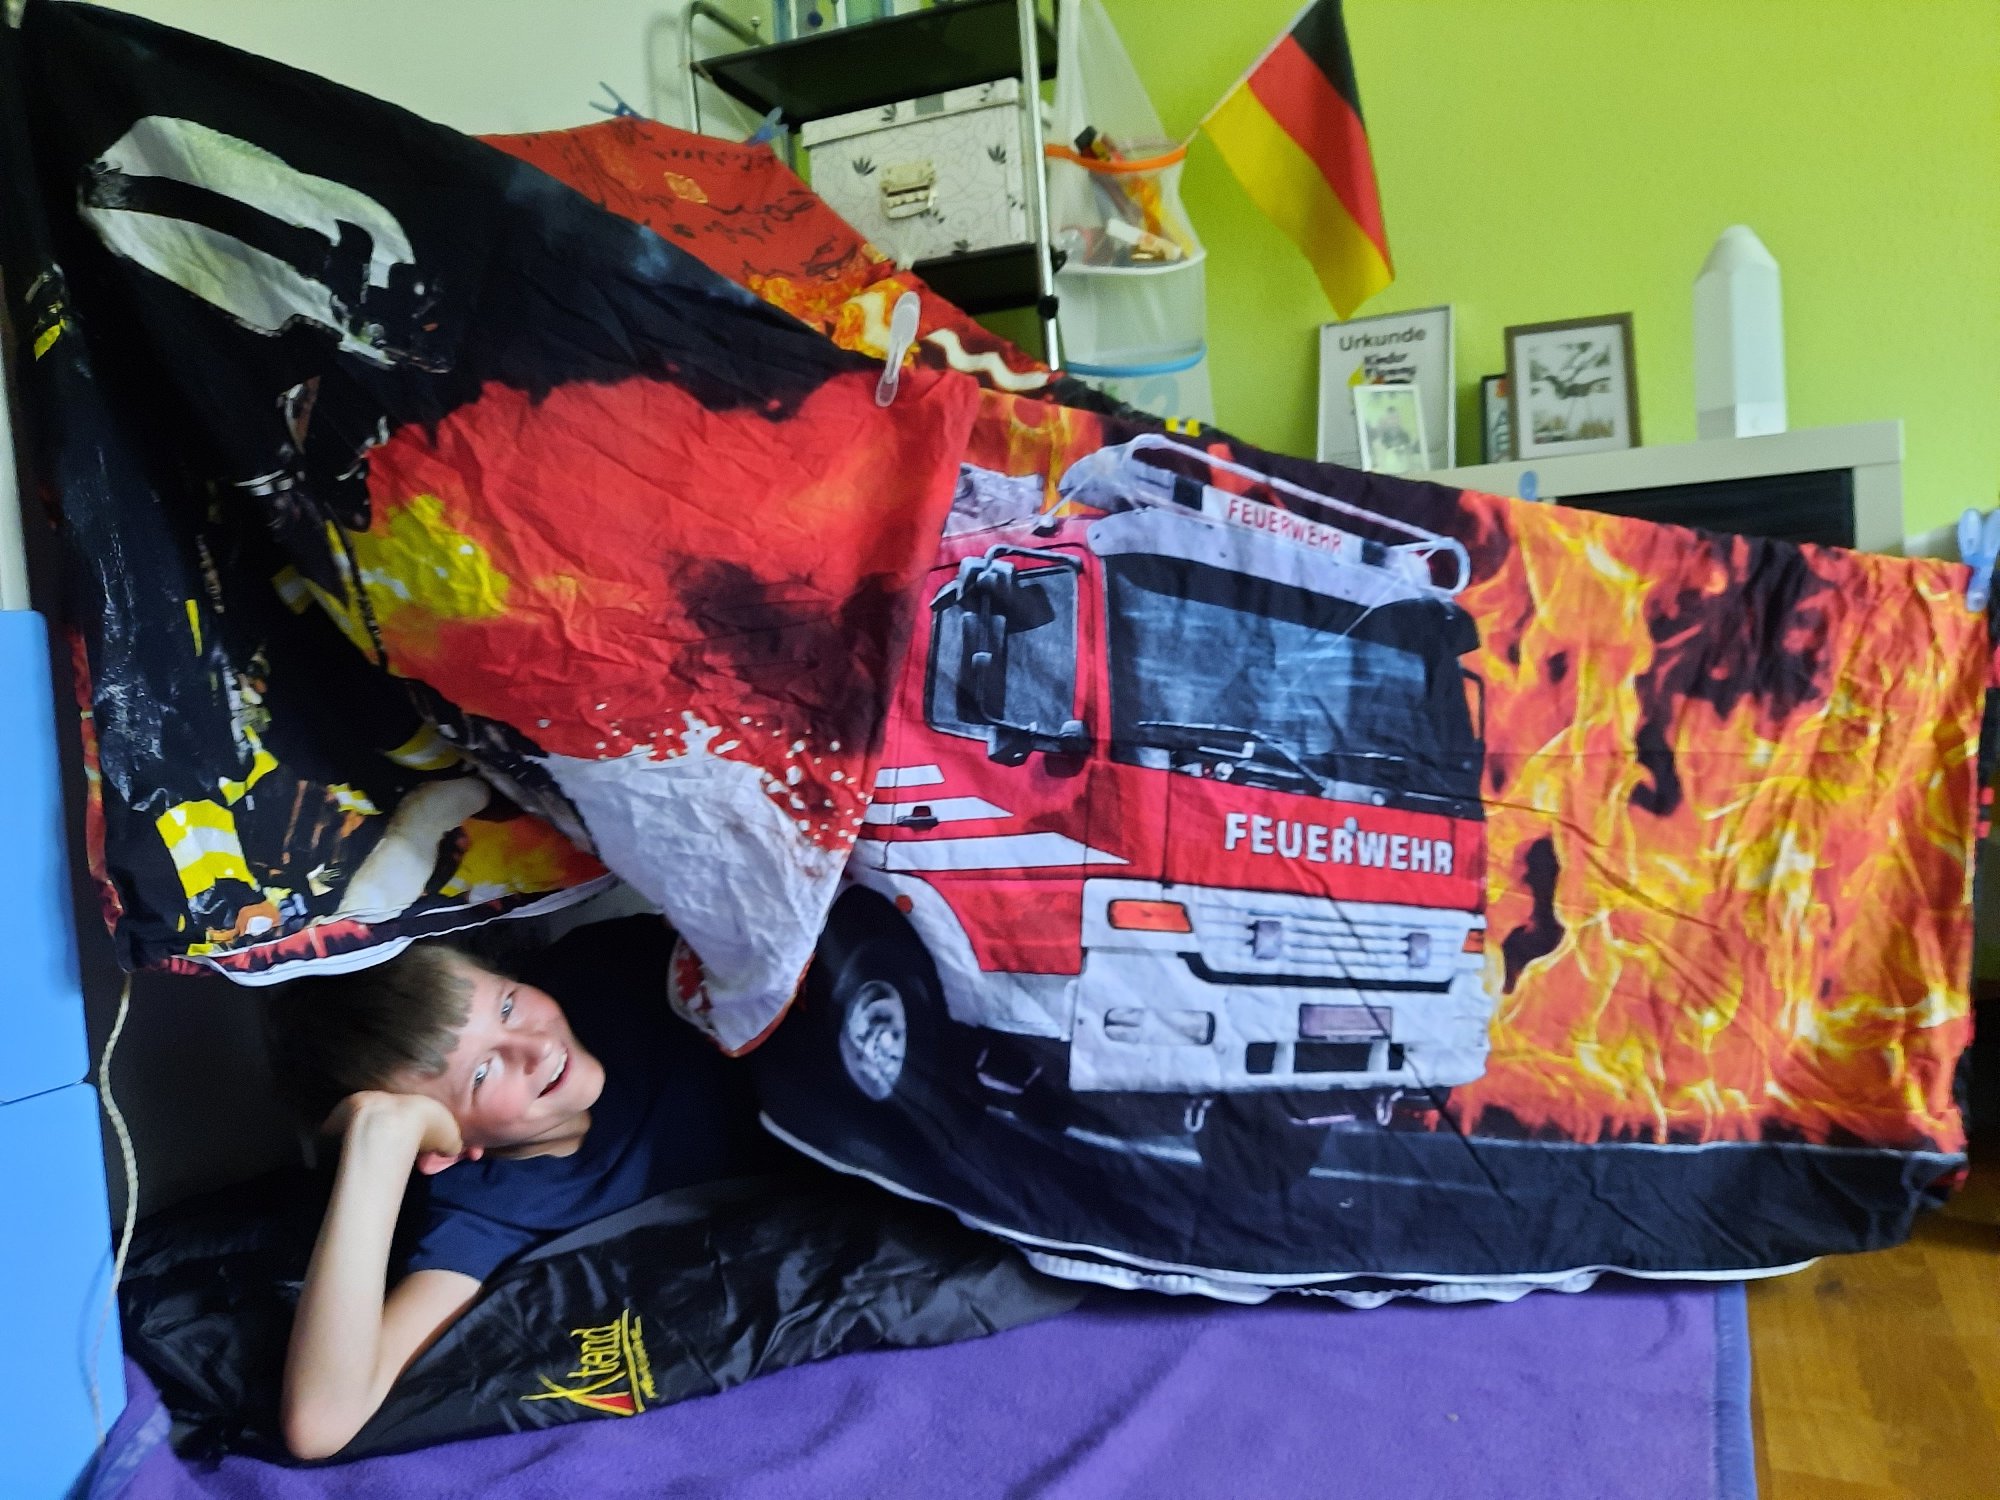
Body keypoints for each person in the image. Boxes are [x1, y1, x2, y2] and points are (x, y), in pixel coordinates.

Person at [261, 915, 780, 1460]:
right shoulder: (486, 1215)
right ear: (443, 1146)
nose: (535, 1048)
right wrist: (379, 1140)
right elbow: (322, 1423)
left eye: (507, 1006)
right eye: (482, 1075)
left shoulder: (615, 966)